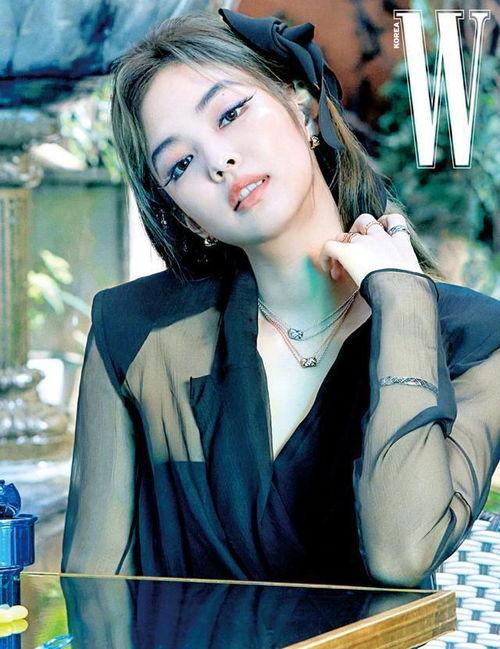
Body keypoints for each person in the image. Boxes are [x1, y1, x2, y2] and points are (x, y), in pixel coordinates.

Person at [60, 8, 500, 589]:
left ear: (302, 108)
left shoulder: (475, 338)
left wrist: (403, 299)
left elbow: (401, 554)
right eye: (181, 163)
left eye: (231, 113)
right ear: (187, 218)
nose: (219, 161)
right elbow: (94, 590)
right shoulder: (135, 331)